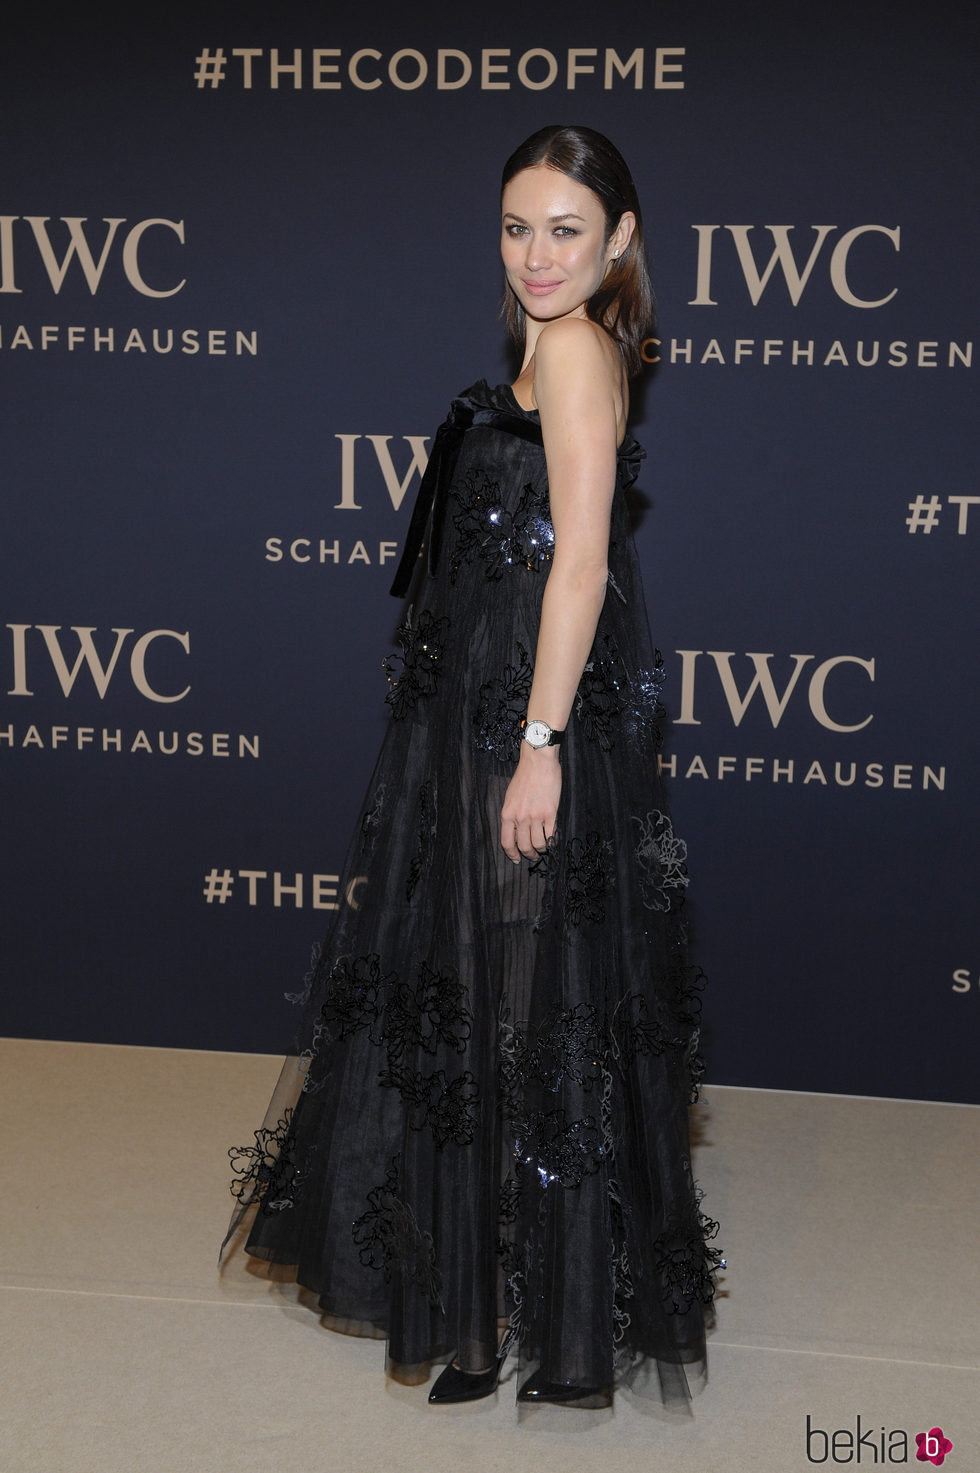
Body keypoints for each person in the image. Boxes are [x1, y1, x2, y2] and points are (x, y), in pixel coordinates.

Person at [223, 124, 723, 1410]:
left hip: (523, 719)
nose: (535, 255)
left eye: (565, 229)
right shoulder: (554, 344)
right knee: (499, 998)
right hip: (487, 708)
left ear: (619, 238)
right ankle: (495, 1301)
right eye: (515, 227)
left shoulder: (573, 348)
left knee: (517, 1000)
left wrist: (537, 749)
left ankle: (511, 1309)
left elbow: (581, 563)